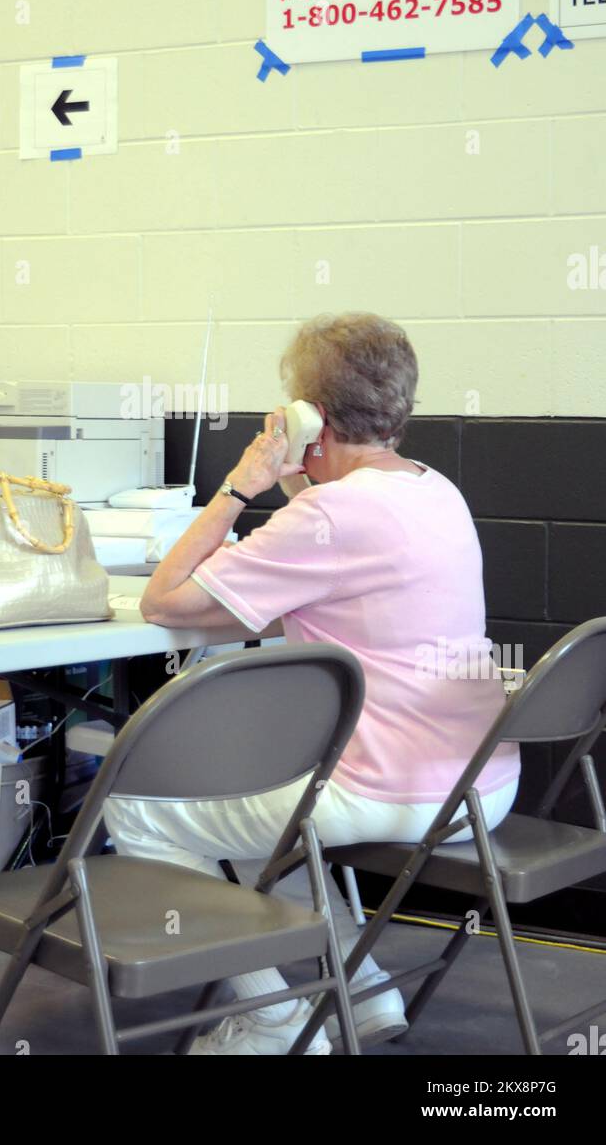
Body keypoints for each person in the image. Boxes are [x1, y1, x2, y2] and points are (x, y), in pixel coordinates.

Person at [105, 312, 520, 1055]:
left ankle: (272, 1016)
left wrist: (240, 485)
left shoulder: (333, 513)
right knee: (282, 807)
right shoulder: (433, 489)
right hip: (479, 789)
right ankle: (362, 994)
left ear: (308, 416)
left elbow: (163, 601)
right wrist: (300, 482)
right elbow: (339, 542)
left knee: (137, 807)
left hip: (390, 796)